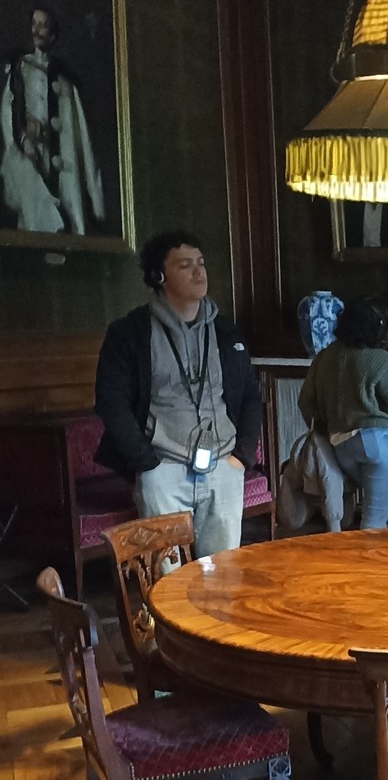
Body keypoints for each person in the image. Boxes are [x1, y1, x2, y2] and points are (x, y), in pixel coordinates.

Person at [94, 231, 260, 557]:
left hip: (223, 466)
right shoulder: (130, 333)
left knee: (223, 575)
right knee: (166, 575)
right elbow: (111, 403)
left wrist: (241, 457)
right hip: (163, 469)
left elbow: (251, 397)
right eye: (185, 265)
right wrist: (147, 464)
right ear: (159, 276)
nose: (199, 272)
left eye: (201, 263)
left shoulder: (226, 331)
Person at [298, 295, 388, 529]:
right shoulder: (381, 360)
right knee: (374, 522)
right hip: (379, 446)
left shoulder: (324, 357)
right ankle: (369, 555)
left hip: (341, 446)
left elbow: (306, 403)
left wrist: (327, 423)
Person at [1, 7, 105, 235]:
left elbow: (83, 140)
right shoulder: (20, 71)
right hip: (31, 165)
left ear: (53, 35)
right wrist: (23, 139)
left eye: (44, 25)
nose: (37, 30)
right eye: (34, 24)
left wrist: (95, 197)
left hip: (65, 172)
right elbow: (8, 116)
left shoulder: (66, 82)